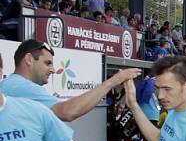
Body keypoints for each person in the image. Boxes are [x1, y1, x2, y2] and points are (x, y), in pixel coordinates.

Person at [0, 39, 140, 123]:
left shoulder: (13, 86)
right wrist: (113, 81)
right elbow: (67, 112)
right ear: (29, 59)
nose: (53, 70)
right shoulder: (20, 86)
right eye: (47, 63)